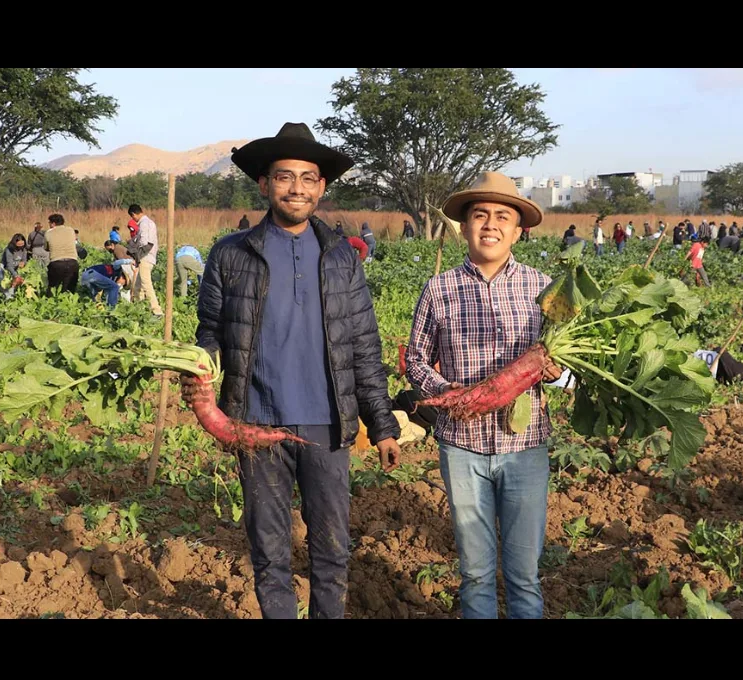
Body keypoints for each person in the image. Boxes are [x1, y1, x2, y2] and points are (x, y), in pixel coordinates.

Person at [182, 121, 401, 620]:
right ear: (264, 184)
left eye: (308, 177)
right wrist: (202, 377)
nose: (296, 187)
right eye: (284, 177)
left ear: (322, 187)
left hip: (328, 425)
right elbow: (211, 331)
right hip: (257, 422)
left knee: (331, 549)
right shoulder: (230, 254)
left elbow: (364, 346)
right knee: (269, 548)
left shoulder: (343, 257)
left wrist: (382, 425)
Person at [405, 171, 563, 619]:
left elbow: (565, 361)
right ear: (466, 226)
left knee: (524, 574)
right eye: (480, 216)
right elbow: (415, 361)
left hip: (525, 445)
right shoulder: (439, 289)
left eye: (502, 217)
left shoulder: (545, 288)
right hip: (462, 447)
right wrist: (445, 393)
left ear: (518, 230)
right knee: (475, 573)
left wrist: (552, 370)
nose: (490, 225)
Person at [127, 203, 163, 317]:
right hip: (151, 257)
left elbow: (144, 241)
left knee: (146, 284)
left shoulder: (143, 223)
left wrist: (135, 248)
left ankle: (157, 311)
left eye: (132, 217)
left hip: (145, 257)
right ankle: (139, 308)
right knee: (138, 286)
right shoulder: (151, 222)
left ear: (133, 214)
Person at [44, 214, 79, 295]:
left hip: (57, 263)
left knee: (53, 288)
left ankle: (53, 304)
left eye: (49, 223)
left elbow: (46, 248)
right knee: (70, 290)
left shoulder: (48, 233)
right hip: (72, 262)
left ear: (53, 223)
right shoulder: (70, 230)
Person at [0, 233, 29, 300]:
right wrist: (16, 275)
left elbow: (24, 260)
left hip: (16, 267)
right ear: (15, 244)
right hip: (5, 268)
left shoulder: (24, 249)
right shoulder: (9, 250)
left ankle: (12, 295)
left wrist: (23, 263)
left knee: (15, 282)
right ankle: (5, 298)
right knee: (4, 285)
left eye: (22, 245)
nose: (20, 247)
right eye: (19, 245)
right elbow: (9, 265)